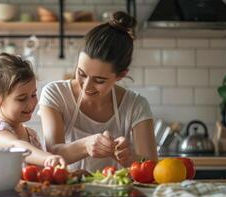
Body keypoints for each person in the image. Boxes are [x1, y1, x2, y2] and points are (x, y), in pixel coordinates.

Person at [39, 11, 157, 172]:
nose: (86, 86)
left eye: (99, 80)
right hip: (67, 193)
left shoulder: (135, 105)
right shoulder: (55, 94)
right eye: (81, 73)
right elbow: (52, 153)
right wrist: (85, 145)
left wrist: (131, 158)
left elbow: (152, 167)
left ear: (121, 75)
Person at [0, 52, 66, 167]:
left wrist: (68, 174)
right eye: (21, 98)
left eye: (33, 95)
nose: (31, 103)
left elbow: (41, 174)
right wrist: (48, 158)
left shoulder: (32, 136)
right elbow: (15, 146)